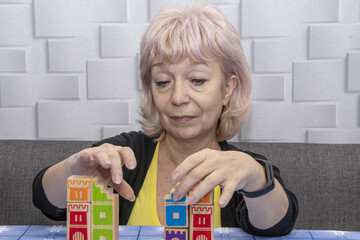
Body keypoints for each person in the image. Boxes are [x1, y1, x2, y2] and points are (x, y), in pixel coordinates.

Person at [33, 2, 298, 236]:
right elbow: (48, 202)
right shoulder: (127, 156)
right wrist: (72, 169)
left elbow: (277, 225)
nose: (178, 97)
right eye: (163, 82)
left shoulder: (243, 170)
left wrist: (255, 177)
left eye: (197, 80)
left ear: (227, 89)